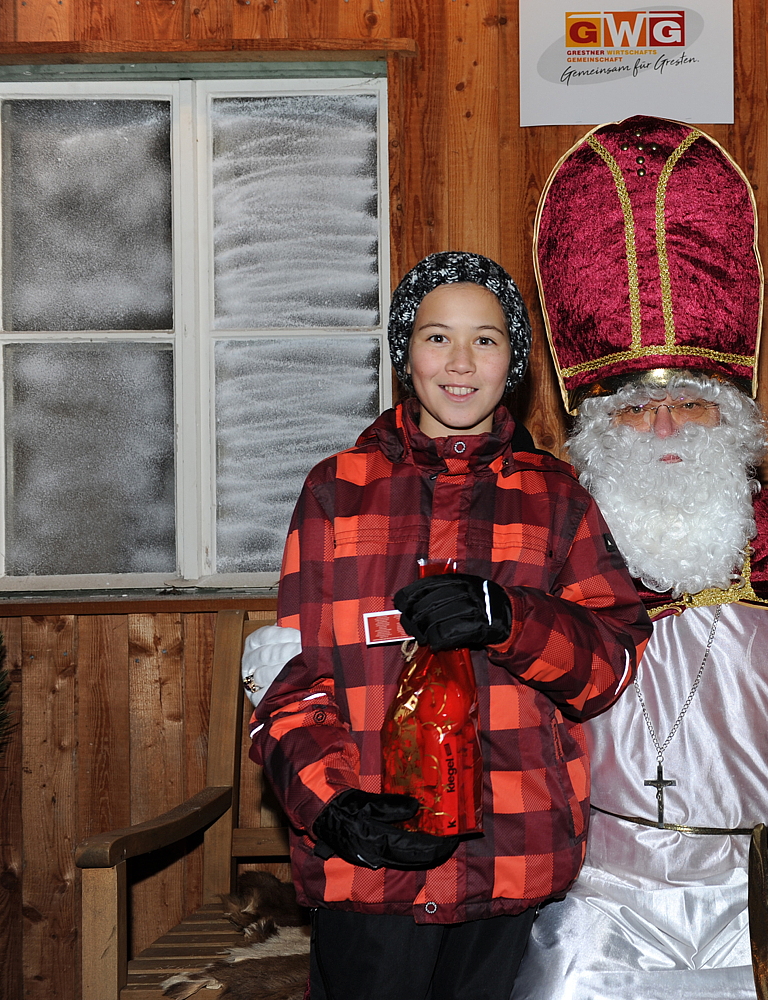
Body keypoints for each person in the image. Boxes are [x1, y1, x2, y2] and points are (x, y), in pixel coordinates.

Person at [509, 115, 768, 1000]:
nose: (665, 427)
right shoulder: (551, 547)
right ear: (598, 433)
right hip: (602, 882)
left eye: (692, 403)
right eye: (636, 410)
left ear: (735, 421)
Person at [246, 251, 651, 1000]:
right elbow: (290, 680)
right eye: (437, 337)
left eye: (485, 340)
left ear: (514, 363)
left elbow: (610, 666)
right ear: (405, 356)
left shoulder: (557, 498)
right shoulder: (337, 490)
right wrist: (332, 808)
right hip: (371, 868)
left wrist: (512, 619)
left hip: (510, 861)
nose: (460, 362)